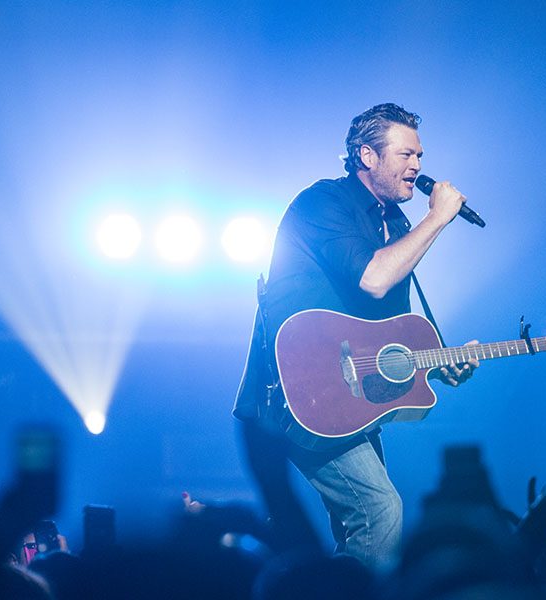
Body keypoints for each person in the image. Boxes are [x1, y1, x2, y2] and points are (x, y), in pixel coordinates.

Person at [234, 103, 479, 570]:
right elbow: (373, 278)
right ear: (367, 155)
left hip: (348, 397)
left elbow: (388, 331)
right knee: (379, 511)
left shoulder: (395, 224)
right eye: (406, 154)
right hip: (299, 392)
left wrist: (435, 363)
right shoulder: (322, 203)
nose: (418, 166)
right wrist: (439, 218)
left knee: (358, 526)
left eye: (421, 156)